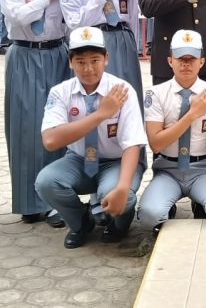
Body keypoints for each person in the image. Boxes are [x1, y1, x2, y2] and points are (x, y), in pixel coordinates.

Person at [36, 27, 146, 248]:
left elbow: (133, 144)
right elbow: (50, 140)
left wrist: (123, 188)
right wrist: (101, 114)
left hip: (117, 161)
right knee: (46, 182)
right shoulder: (60, 92)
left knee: (119, 194)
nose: (88, 68)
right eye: (80, 61)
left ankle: (118, 225)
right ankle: (81, 223)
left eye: (95, 60)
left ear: (106, 59)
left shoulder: (122, 90)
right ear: (70, 62)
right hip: (78, 159)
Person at [0, 0, 72, 227]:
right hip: (25, 56)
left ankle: (55, 200)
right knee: (27, 129)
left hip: (57, 56)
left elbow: (70, 21)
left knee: (59, 127)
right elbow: (18, 16)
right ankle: (29, 202)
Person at [136, 30, 206, 228]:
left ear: (202, 61)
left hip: (202, 169)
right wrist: (191, 115)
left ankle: (201, 202)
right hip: (168, 169)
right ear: (170, 60)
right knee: (149, 216)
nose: (186, 64)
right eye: (180, 58)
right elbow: (156, 144)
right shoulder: (156, 94)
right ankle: (168, 205)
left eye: (192, 58)